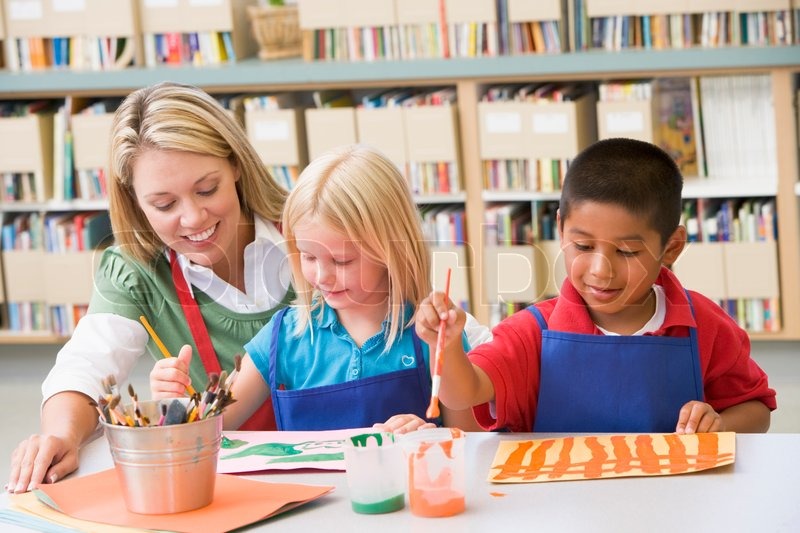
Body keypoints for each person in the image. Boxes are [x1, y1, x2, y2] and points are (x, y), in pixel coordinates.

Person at [7, 82, 292, 493]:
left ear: (236, 165)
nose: (193, 218)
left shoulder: (310, 231)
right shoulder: (133, 269)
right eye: (164, 205)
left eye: (206, 189)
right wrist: (62, 435)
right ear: (135, 200)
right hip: (228, 483)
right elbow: (85, 366)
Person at [416, 137, 776, 434]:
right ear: (560, 229)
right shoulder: (532, 331)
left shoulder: (705, 325)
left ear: (671, 248)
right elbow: (465, 393)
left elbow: (757, 411)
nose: (601, 271)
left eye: (627, 251)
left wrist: (720, 426)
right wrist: (445, 349)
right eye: (584, 247)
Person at [151, 144, 491, 433]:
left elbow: (470, 443)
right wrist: (175, 402)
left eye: (342, 261)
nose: (322, 276)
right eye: (308, 256)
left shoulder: (432, 337)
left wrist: (429, 438)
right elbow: (209, 427)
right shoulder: (284, 337)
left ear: (393, 251)